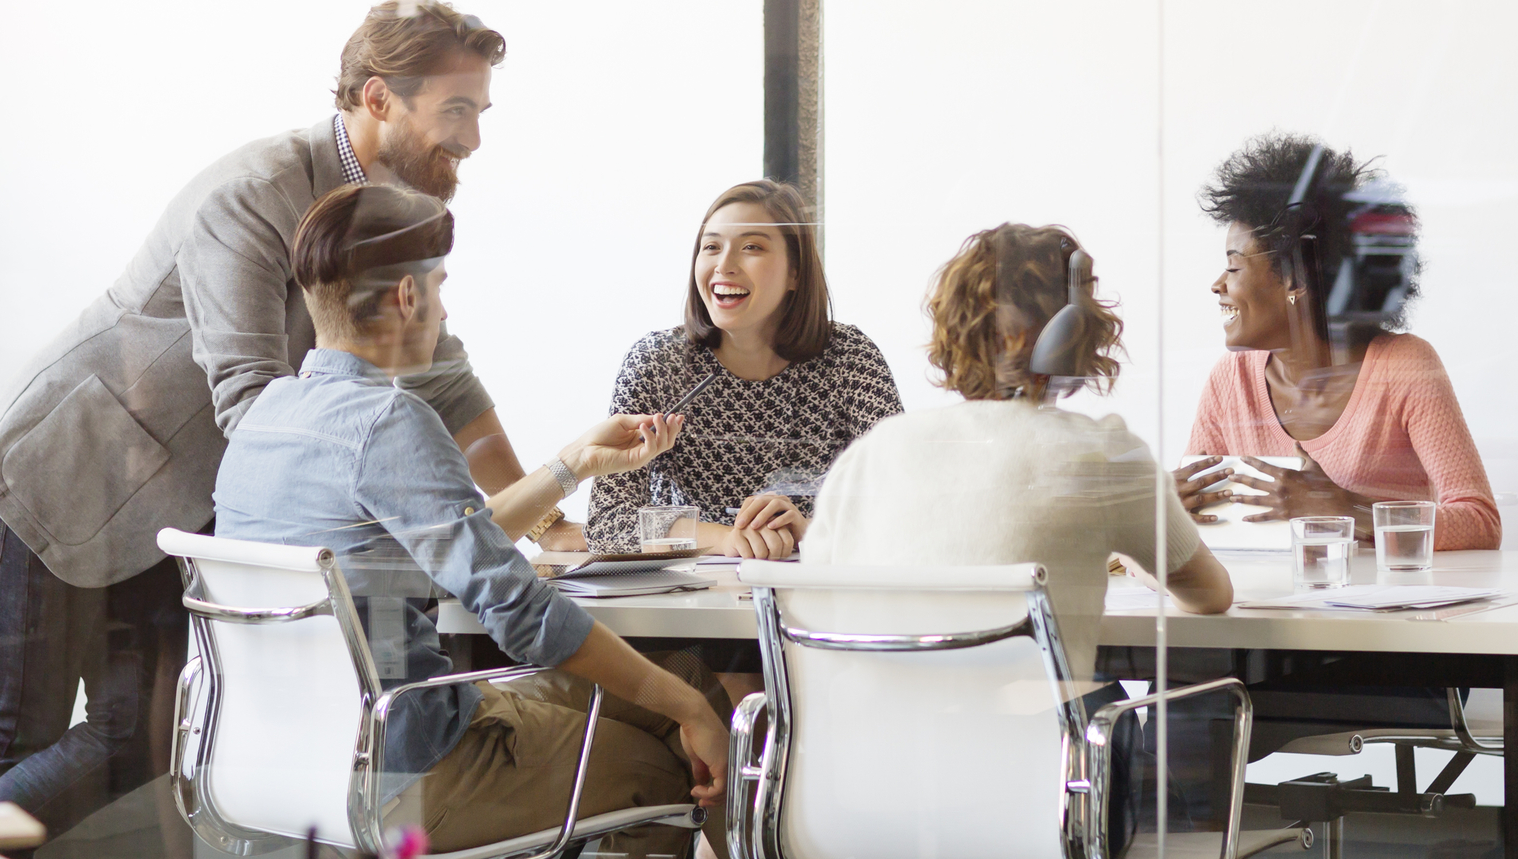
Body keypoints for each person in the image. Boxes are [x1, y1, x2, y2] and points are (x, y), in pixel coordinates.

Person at [0, 0, 561, 837]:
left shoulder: (390, 210)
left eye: (479, 110)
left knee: (143, 742)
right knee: (16, 733)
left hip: (180, 507)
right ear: (377, 98)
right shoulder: (254, 194)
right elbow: (251, 402)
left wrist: (543, 516)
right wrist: (388, 498)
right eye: (457, 110)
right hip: (67, 480)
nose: (473, 137)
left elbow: (445, 368)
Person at [215, 184, 730, 858]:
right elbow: (522, 612)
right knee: (672, 759)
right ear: (407, 297)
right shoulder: (389, 421)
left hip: (276, 765)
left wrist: (574, 463)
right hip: (407, 766)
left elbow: (455, 542)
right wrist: (688, 714)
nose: (445, 308)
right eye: (441, 286)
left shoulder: (268, 417)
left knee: (681, 677)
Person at [801, 223, 1233, 853]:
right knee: (1139, 715)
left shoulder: (870, 456)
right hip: (1033, 801)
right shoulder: (1104, 453)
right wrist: (1125, 551)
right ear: (1070, 334)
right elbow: (1209, 595)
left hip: (866, 796)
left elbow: (818, 611)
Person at [1176, 133, 1499, 551]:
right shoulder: (1230, 380)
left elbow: (1480, 522)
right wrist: (1170, 511)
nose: (1217, 285)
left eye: (1234, 268)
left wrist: (1344, 507)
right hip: (1270, 608)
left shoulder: (1403, 366)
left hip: (1389, 610)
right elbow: (1203, 522)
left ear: (1294, 277)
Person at [581, 180, 903, 558]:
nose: (724, 265)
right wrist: (725, 537)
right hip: (685, 597)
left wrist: (813, 531)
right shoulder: (656, 362)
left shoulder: (850, 358)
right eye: (712, 247)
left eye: (751, 247)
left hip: (817, 587)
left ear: (795, 273)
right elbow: (606, 522)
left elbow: (904, 507)